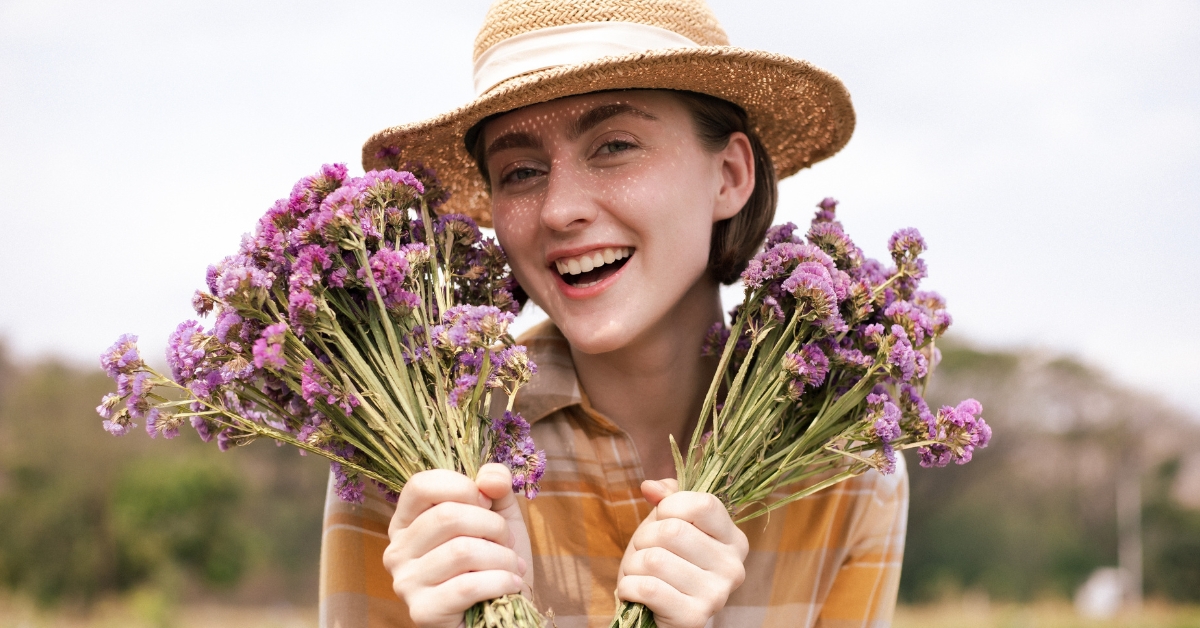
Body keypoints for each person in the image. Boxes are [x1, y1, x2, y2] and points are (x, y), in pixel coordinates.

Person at [319, 1, 908, 627]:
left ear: (730, 175)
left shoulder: (845, 465)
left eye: (614, 147)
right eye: (520, 171)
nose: (558, 210)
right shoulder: (410, 450)